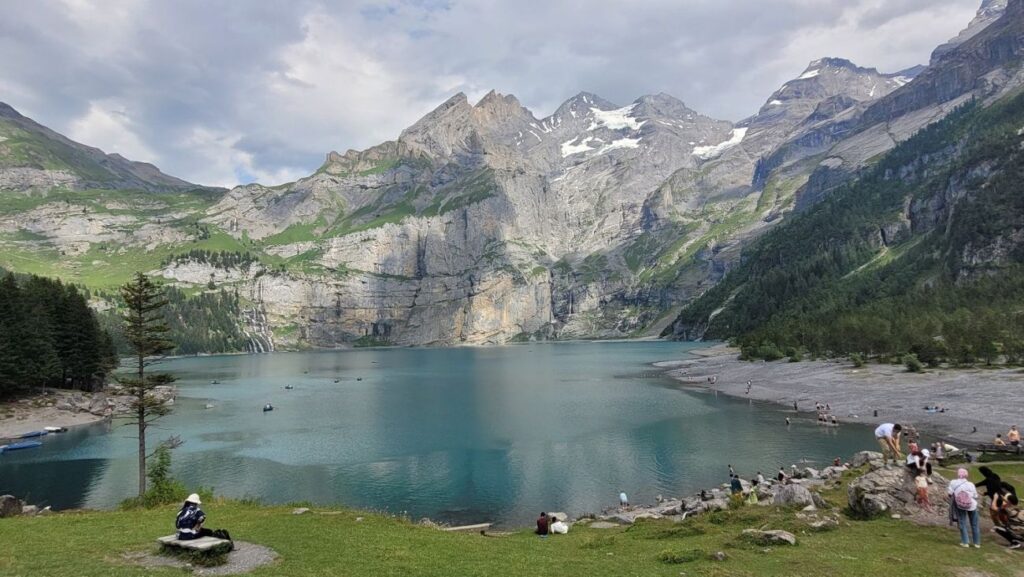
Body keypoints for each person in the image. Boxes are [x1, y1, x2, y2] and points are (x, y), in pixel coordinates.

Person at [948, 468, 981, 548]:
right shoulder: (971, 484)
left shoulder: (953, 482)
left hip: (960, 505)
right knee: (974, 524)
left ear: (958, 474)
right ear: (966, 475)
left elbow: (949, 493)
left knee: (962, 522)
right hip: (972, 505)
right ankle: (977, 543)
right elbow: (975, 496)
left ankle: (965, 542)